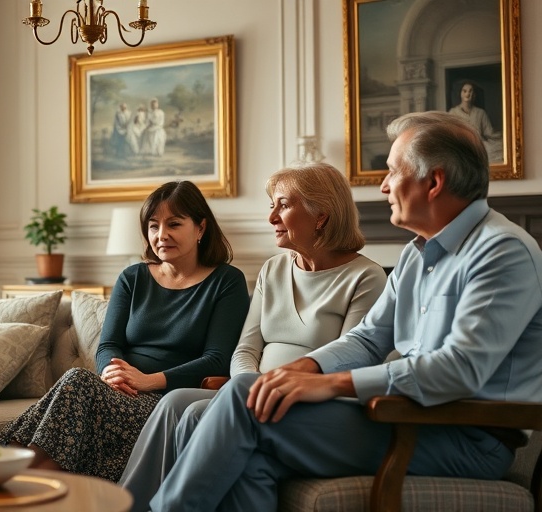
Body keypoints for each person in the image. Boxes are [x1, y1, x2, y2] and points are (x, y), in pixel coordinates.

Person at [148, 111, 542, 511]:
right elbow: (369, 338)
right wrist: (303, 370)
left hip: (463, 436)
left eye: (391, 172)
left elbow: (459, 369)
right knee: (245, 450)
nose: (384, 186)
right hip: (409, 418)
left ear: (434, 182)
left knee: (242, 398)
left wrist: (333, 385)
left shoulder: (502, 252)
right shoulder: (415, 255)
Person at [119, 163, 387, 510]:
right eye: (271, 206)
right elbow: (246, 347)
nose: (271, 217)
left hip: (310, 401)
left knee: (196, 414)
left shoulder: (366, 277)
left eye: (283, 205)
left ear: (321, 215)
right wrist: (247, 385)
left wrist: (254, 391)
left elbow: (352, 360)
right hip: (253, 392)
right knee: (173, 403)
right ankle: (129, 504)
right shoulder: (274, 269)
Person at [0, 180, 250, 483]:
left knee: (77, 382)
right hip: (118, 391)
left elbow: (218, 359)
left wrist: (148, 381)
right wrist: (112, 375)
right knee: (80, 383)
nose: (161, 235)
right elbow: (109, 346)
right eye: (153, 226)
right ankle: (15, 482)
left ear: (200, 228)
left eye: (174, 224)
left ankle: (8, 481)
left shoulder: (227, 281)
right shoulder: (133, 277)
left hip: (169, 400)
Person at [447, 80, 503, 162]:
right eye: (464, 91)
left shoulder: (481, 113)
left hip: (478, 145)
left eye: (470, 91)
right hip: (461, 146)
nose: (467, 94)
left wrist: (502, 135)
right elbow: (450, 133)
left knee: (500, 148)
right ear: (460, 93)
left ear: (474, 94)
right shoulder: (453, 112)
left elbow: (489, 132)